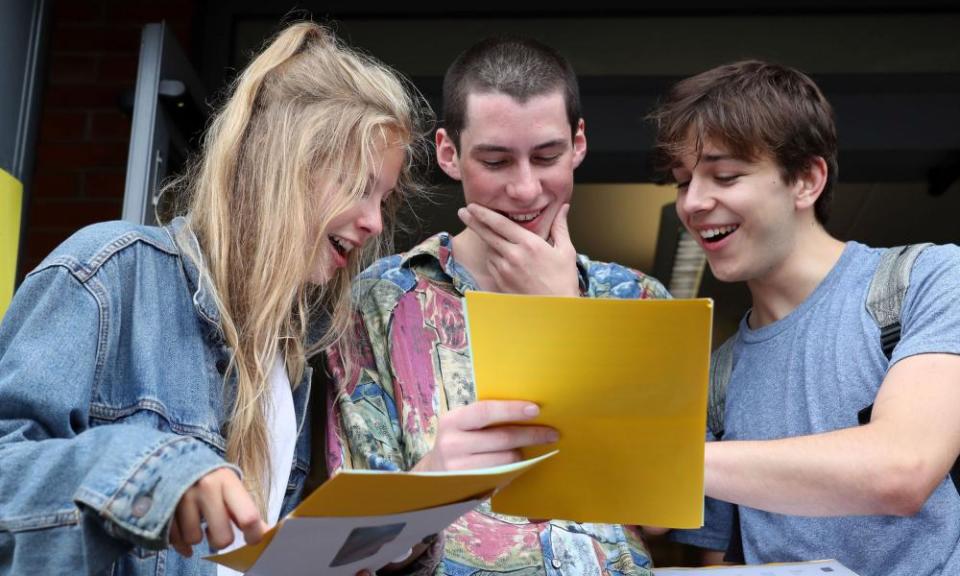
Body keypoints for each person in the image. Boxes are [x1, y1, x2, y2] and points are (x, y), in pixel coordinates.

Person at [0, 21, 430, 575]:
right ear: (284, 169)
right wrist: (155, 471)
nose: (374, 221)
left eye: (383, 198)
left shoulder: (289, 357)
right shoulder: (109, 272)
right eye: (356, 186)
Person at [326, 36, 669, 575]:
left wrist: (569, 318)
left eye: (547, 156)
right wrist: (435, 484)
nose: (526, 188)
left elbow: (660, 517)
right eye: (496, 160)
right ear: (448, 153)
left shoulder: (642, 300)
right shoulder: (377, 300)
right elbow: (352, 550)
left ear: (579, 143)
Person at [650, 60, 960, 575]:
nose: (694, 203)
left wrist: (671, 458)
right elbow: (720, 558)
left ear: (807, 180)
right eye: (683, 182)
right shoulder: (716, 376)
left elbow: (902, 469)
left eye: (725, 176)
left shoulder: (926, 279)